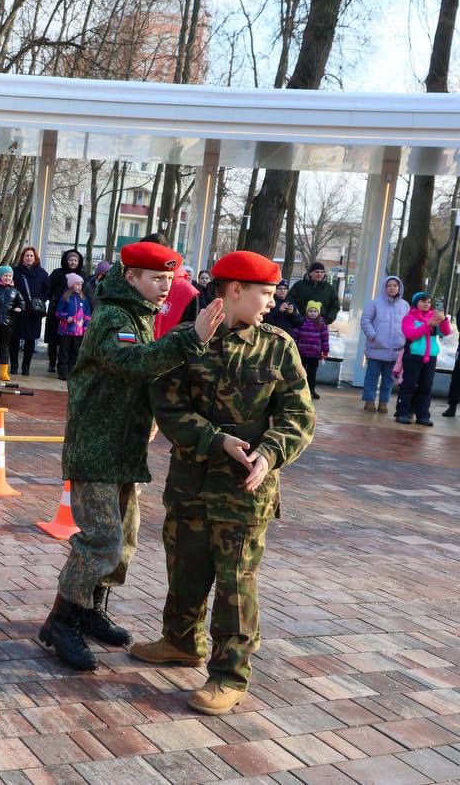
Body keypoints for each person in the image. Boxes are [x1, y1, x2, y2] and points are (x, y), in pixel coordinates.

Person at [132, 250, 315, 716]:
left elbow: (298, 416)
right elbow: (168, 406)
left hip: (244, 493)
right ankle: (179, 641)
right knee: (185, 570)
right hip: (192, 482)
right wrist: (215, 441)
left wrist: (270, 452)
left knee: (235, 584)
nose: (272, 303)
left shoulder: (278, 347)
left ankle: (229, 675)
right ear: (235, 290)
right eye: (266, 294)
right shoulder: (186, 342)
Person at [39, 241, 223, 673]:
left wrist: (185, 336)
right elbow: (134, 362)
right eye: (156, 278)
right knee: (101, 539)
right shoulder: (112, 318)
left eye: (169, 278)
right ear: (131, 278)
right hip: (98, 448)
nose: (165, 286)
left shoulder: (139, 317)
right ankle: (60, 622)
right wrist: (190, 338)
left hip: (123, 448)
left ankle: (88, 609)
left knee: (124, 539)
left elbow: (146, 364)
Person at [395, 291, 451, 427]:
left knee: (426, 387)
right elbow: (411, 335)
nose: (426, 304)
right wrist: (427, 324)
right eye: (423, 301)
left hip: (430, 357)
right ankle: (403, 413)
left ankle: (423, 415)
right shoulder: (409, 318)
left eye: (429, 302)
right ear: (416, 303)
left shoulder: (434, 317)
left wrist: (443, 320)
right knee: (409, 385)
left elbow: (446, 332)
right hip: (413, 356)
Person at [359, 275, 409, 413]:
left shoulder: (405, 305)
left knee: (389, 379)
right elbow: (365, 320)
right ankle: (369, 401)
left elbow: (408, 324)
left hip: (395, 351)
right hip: (376, 348)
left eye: (395, 285)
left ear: (399, 288)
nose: (392, 288)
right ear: (385, 287)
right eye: (389, 285)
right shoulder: (374, 303)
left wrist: (404, 339)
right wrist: (373, 335)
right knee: (372, 376)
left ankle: (383, 402)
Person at [45, 249, 85, 374]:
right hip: (57, 310)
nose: (73, 262)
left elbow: (84, 292)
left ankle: (68, 365)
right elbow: (49, 289)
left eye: (75, 260)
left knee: (71, 341)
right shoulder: (57, 273)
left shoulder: (82, 274)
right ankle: (52, 362)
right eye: (71, 260)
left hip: (74, 314)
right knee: (53, 339)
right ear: (66, 261)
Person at [12, 247, 49, 375]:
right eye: (27, 256)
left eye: (31, 256)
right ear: (22, 257)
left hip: (34, 312)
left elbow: (47, 290)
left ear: (35, 258)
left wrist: (40, 301)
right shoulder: (15, 271)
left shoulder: (42, 273)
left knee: (30, 339)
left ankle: (26, 366)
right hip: (18, 309)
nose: (29, 258)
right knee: (15, 338)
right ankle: (14, 365)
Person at [56, 272, 92, 381]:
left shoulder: (84, 299)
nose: (79, 287)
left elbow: (87, 315)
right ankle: (63, 373)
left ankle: (72, 373)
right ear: (71, 285)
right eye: (77, 284)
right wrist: (66, 317)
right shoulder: (65, 298)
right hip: (66, 331)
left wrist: (85, 327)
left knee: (75, 353)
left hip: (78, 332)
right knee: (64, 352)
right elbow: (58, 312)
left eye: (81, 285)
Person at [294, 301, 330, 399]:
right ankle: (299, 389)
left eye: (315, 311)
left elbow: (325, 338)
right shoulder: (302, 322)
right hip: (302, 352)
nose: (313, 313)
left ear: (318, 313)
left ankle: (311, 390)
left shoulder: (322, 324)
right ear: (307, 312)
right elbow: (295, 336)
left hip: (314, 354)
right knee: (300, 372)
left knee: (312, 373)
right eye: (310, 311)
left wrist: (325, 351)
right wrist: (293, 347)